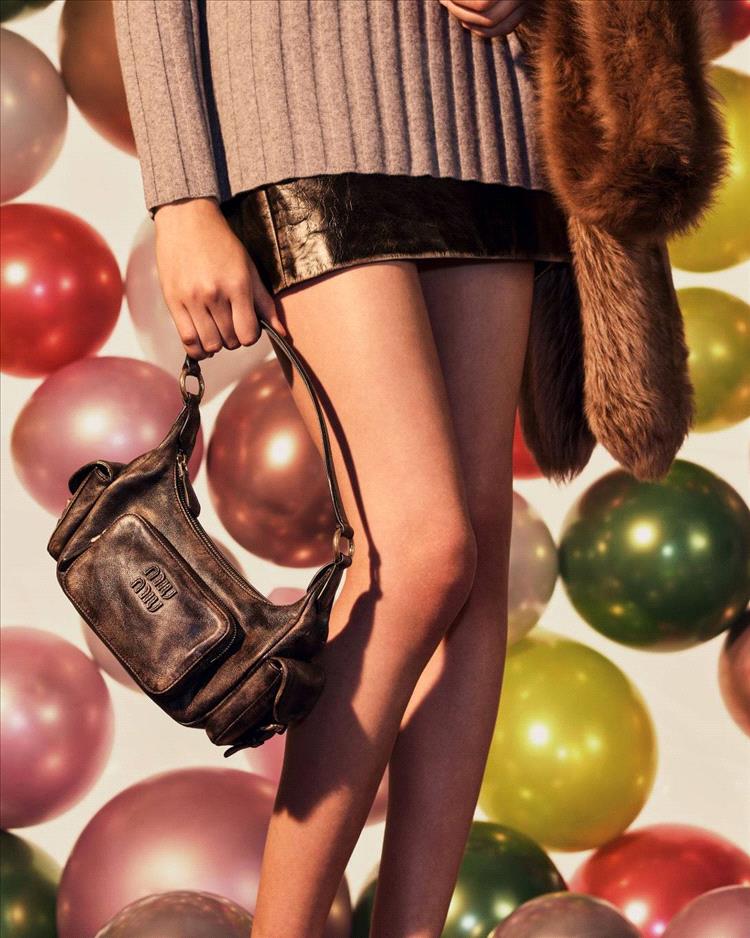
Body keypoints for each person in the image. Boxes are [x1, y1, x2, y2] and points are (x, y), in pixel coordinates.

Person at [109, 1, 673, 934]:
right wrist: (181, 196)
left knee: (475, 563)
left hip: (490, 106)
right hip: (294, 103)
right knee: (422, 553)